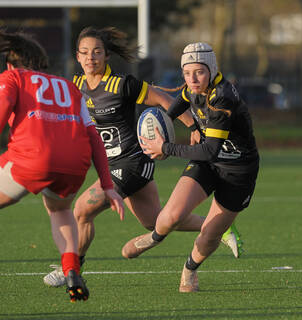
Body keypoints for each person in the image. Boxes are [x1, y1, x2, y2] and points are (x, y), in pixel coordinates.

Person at [43, 28, 243, 287]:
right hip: (113, 164)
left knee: (82, 210)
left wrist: (193, 127)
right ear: (77, 57)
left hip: (134, 162)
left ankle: (72, 269)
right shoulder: (76, 85)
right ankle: (219, 226)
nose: (90, 57)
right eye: (84, 53)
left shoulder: (121, 83)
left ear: (106, 56)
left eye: (97, 52)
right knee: (155, 222)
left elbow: (162, 98)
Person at [122, 42, 259, 292]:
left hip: (238, 172)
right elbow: (178, 105)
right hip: (207, 165)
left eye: (199, 72)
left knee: (209, 235)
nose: (193, 79)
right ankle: (154, 238)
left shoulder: (222, 98)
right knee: (169, 216)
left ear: (212, 70)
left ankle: (190, 269)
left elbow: (209, 150)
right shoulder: (192, 89)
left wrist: (164, 148)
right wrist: (166, 122)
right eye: (187, 73)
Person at [0, 30, 124, 302]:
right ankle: (71, 270)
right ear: (42, 63)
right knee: (60, 210)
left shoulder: (12, 77)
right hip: (73, 164)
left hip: (33, 158)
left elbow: (2, 108)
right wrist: (107, 186)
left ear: (11, 63)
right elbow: (93, 136)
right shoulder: (70, 88)